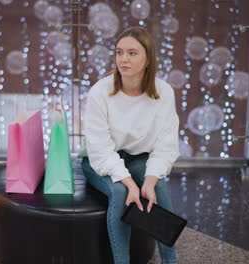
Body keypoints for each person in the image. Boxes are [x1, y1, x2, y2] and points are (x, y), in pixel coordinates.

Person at [81, 27, 179, 264]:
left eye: (132, 53)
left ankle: (171, 261)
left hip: (138, 158)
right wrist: (129, 183)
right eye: (119, 52)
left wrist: (149, 181)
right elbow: (100, 150)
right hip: (98, 160)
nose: (123, 59)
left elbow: (166, 146)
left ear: (148, 59)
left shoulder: (164, 92)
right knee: (119, 191)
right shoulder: (100, 92)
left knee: (160, 188)